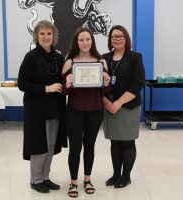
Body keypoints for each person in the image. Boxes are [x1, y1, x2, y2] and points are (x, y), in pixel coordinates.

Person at [17, 20, 67, 194]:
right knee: (39, 145)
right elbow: (22, 84)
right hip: (36, 109)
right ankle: (35, 180)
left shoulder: (59, 58)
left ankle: (45, 177)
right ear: (36, 36)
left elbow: (64, 81)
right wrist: (46, 88)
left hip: (56, 108)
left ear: (54, 36)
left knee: (51, 145)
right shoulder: (30, 57)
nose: (46, 37)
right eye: (42, 33)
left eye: (49, 33)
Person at [62, 27, 110, 198]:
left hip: (95, 110)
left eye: (88, 39)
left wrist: (106, 81)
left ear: (92, 41)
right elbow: (64, 93)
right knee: (75, 148)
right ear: (76, 42)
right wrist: (67, 84)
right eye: (81, 40)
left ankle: (87, 179)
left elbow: (105, 90)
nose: (85, 43)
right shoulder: (69, 63)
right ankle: (73, 182)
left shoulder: (101, 61)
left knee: (89, 146)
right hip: (74, 111)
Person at [102, 25, 145, 188]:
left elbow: (138, 83)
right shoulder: (104, 58)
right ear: (110, 40)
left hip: (128, 106)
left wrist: (119, 102)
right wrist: (106, 102)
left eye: (120, 36)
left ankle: (126, 176)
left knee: (127, 142)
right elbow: (98, 82)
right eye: (114, 36)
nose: (117, 39)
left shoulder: (135, 57)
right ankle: (115, 175)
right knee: (114, 142)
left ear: (126, 39)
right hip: (109, 107)